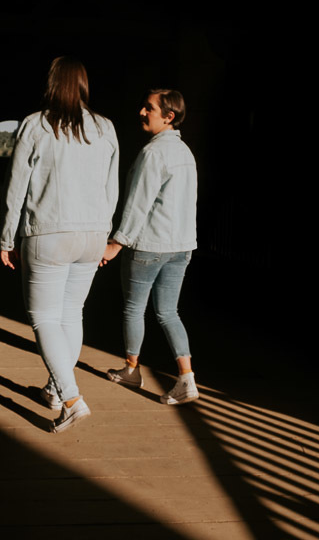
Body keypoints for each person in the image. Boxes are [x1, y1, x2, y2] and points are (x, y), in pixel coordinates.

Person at [0, 56, 120, 433]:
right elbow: (112, 189)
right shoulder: (105, 127)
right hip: (93, 235)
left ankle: (70, 399)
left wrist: (7, 237)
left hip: (48, 233)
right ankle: (54, 390)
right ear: (83, 85)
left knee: (44, 317)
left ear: (52, 84)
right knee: (72, 313)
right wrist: (104, 233)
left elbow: (16, 187)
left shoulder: (36, 124)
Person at [100, 89, 199, 405]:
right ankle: (187, 378)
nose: (141, 112)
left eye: (149, 108)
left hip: (149, 245)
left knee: (134, 308)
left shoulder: (153, 153)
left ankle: (132, 370)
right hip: (181, 246)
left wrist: (117, 243)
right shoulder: (185, 152)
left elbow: (137, 203)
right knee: (169, 312)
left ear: (169, 116)